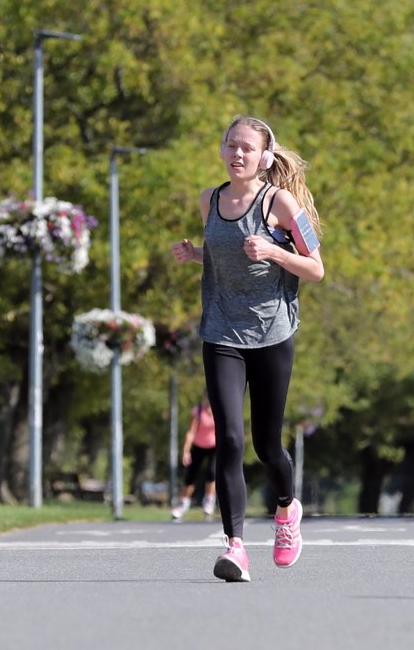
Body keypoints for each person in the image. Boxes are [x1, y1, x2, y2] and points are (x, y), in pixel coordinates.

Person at [170, 115, 324, 582]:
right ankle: (235, 547)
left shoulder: (280, 202)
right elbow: (223, 256)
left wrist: (275, 252)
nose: (238, 154)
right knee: (229, 440)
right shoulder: (209, 200)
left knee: (266, 444)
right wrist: (196, 254)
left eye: (247, 148)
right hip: (220, 332)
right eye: (231, 145)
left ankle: (285, 509)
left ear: (264, 157)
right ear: (221, 150)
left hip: (272, 333)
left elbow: (315, 268)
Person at [171, 400, 218, 521]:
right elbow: (191, 432)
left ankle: (209, 502)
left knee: (212, 473)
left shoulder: (218, 408)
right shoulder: (198, 411)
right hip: (198, 446)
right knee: (191, 475)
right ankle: (183, 504)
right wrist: (186, 451)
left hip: (214, 446)